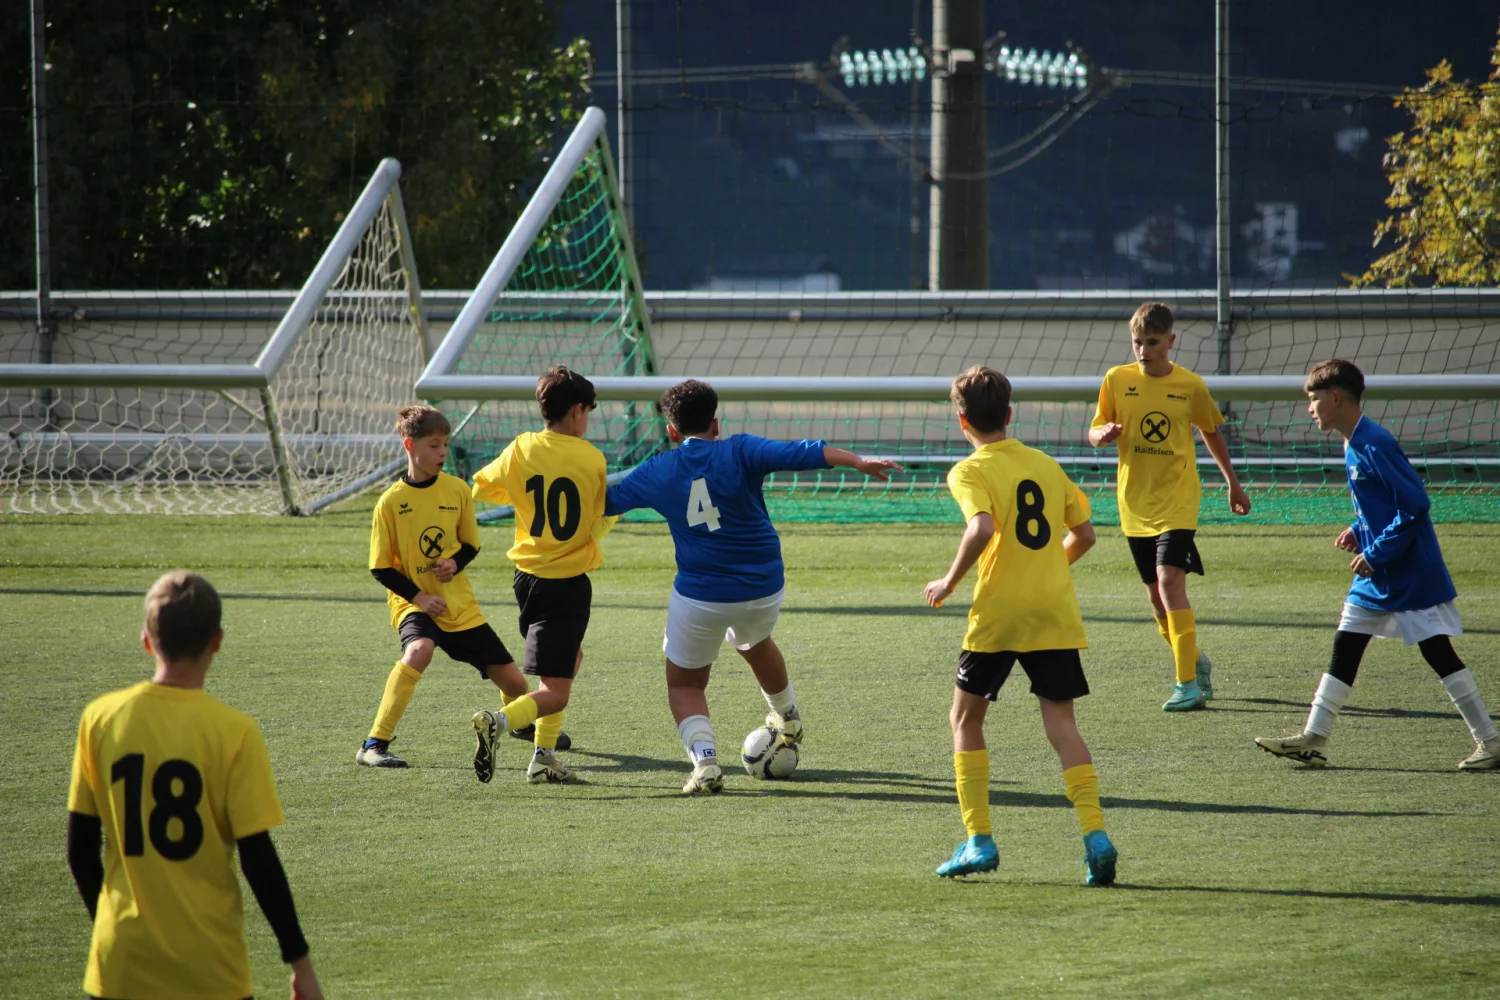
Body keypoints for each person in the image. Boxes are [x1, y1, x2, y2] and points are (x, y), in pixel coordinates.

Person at [603, 379, 901, 793]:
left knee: (685, 683)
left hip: (702, 595)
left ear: (671, 431)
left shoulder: (657, 470)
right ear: (716, 424)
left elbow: (605, 502)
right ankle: (788, 718)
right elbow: (806, 452)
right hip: (764, 587)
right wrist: (858, 461)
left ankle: (706, 762)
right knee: (754, 642)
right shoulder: (741, 449)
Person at [66, 571, 323, 1000]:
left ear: (147, 641)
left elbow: (79, 852)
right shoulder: (234, 732)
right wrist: (299, 964)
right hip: (211, 969)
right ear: (217, 641)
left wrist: (110, 931)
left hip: (120, 966)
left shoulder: (100, 719)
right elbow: (258, 860)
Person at [1255, 359, 1500, 770]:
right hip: (1380, 575)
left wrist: (1375, 552)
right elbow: (1383, 503)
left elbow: (1415, 505)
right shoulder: (1353, 441)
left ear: (1336, 398)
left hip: (1408, 573)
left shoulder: (1373, 442)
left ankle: (1490, 741)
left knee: (1437, 652)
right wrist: (1359, 529)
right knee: (1347, 642)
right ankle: (1314, 737)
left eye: (1314, 399)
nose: (1310, 408)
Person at [924, 366, 1118, 885]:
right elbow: (1085, 534)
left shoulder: (969, 470)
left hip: (999, 614)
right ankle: (1096, 835)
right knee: (1063, 727)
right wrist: (1046, 570)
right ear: (1009, 415)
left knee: (965, 721)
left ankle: (978, 840)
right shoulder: (1046, 465)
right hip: (1053, 610)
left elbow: (982, 526)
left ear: (961, 420)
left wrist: (948, 581)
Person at [359, 404, 568, 778]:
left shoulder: (456, 490)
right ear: (410, 445)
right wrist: (420, 598)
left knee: (515, 683)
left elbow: (470, 545)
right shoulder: (390, 501)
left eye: (445, 444)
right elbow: (380, 567)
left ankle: (519, 722)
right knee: (419, 650)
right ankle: (374, 744)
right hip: (414, 604)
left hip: (458, 604)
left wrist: (454, 563)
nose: (443, 452)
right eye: (434, 445)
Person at [1088, 301, 1251, 711]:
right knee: (1157, 601)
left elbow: (1211, 432)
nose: (1143, 351)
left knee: (1169, 583)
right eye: (1138, 342)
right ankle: (1195, 662)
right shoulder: (1116, 379)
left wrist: (1233, 483)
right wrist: (1101, 434)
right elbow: (1094, 428)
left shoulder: (1190, 385)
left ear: (1170, 341)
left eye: (1152, 342)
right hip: (1134, 503)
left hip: (1178, 500)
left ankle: (1186, 685)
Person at [469, 366, 613, 784]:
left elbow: (481, 488)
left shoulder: (522, 447)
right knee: (556, 690)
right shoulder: (591, 458)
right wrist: (616, 514)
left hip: (526, 580)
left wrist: (520, 493)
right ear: (577, 410)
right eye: (588, 413)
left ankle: (544, 757)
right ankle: (499, 721)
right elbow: (594, 522)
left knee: (569, 660)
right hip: (566, 585)